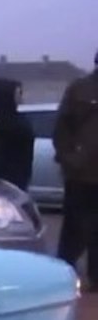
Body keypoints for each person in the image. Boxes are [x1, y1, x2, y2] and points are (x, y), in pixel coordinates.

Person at [53, 49, 98, 292]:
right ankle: (63, 273)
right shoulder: (80, 89)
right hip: (80, 175)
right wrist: (68, 158)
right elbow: (61, 127)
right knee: (74, 229)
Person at [0, 78, 35, 191]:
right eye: (18, 93)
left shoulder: (10, 118)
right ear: (8, 95)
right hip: (4, 176)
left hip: (18, 175)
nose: (21, 97)